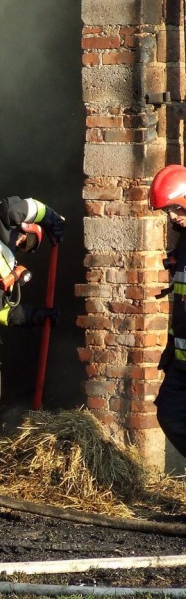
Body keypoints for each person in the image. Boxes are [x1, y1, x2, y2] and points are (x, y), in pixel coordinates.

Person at [0, 195, 65, 479]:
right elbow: (13, 207)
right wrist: (49, 215)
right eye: (26, 241)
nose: (21, 248)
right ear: (22, 228)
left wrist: (34, 316)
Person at [149, 164, 186, 459]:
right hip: (181, 360)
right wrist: (172, 346)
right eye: (167, 210)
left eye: (175, 208)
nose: (172, 216)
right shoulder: (183, 241)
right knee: (169, 413)